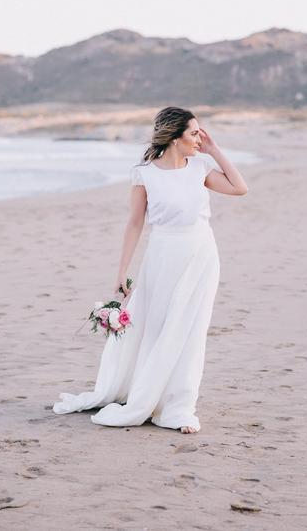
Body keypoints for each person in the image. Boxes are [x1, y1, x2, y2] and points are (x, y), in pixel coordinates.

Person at [53, 106, 248, 433]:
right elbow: (134, 223)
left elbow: (240, 188)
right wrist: (122, 271)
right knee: (157, 326)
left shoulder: (200, 167)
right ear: (174, 138)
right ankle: (147, 394)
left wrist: (215, 150)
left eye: (200, 133)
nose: (199, 139)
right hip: (162, 257)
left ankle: (178, 406)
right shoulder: (145, 174)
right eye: (194, 134)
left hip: (201, 255)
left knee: (190, 330)